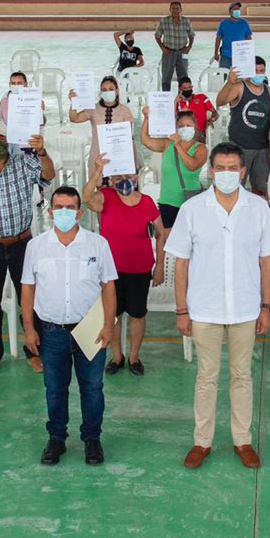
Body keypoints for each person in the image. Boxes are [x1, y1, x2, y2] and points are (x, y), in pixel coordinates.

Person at [169, 142, 270, 470]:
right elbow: (181, 264)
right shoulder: (192, 210)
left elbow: (266, 262)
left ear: (243, 172)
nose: (228, 174)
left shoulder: (257, 208)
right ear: (211, 171)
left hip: (246, 308)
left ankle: (242, 439)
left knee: (241, 375)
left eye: (234, 168)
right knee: (206, 376)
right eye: (221, 168)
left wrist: (266, 306)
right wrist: (181, 310)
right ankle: (201, 441)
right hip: (204, 308)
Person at [21, 186, 119, 466]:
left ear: (79, 212)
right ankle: (56, 439)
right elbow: (27, 289)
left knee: (92, 387)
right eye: (58, 208)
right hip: (51, 331)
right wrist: (29, 327)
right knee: (54, 388)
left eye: (69, 208)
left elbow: (109, 286)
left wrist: (108, 326)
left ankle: (92, 439)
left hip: (90, 328)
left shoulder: (97, 244)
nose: (63, 213)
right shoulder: (36, 246)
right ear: (50, 211)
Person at [0, 118, 56, 373]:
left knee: (30, 299)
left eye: (1, 138)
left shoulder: (24, 164)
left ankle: (33, 350)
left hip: (22, 244)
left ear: (9, 140)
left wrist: (42, 151)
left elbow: (49, 175)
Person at [84, 154, 166, 375]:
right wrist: (97, 171)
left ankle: (134, 356)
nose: (124, 180)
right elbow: (85, 198)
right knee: (114, 315)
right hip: (111, 272)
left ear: (138, 175)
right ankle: (117, 356)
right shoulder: (106, 197)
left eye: (129, 175)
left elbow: (160, 235)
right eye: (118, 176)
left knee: (138, 315)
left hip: (140, 269)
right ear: (110, 180)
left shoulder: (147, 202)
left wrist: (159, 266)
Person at [140, 106, 208, 228]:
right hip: (168, 201)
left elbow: (192, 165)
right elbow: (145, 140)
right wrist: (146, 119)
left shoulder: (200, 148)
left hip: (190, 201)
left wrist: (178, 145)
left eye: (189, 125)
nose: (185, 128)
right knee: (168, 241)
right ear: (176, 128)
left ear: (195, 126)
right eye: (181, 126)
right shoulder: (167, 144)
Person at [215, 55, 270, 196]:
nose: (259, 73)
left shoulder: (269, 92)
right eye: (255, 70)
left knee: (260, 189)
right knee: (235, 187)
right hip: (240, 147)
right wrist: (229, 82)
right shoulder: (239, 87)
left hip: (262, 149)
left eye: (261, 70)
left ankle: (259, 216)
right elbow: (220, 101)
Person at [68, 75, 136, 182]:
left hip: (119, 157)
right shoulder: (93, 109)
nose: (107, 92)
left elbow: (128, 138)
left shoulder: (125, 111)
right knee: (99, 190)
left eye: (111, 89)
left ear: (117, 91)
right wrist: (73, 103)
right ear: (100, 92)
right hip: (97, 155)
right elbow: (75, 118)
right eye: (104, 90)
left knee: (117, 191)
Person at [155, 0, 195, 92]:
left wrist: (189, 47)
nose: (175, 10)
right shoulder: (164, 21)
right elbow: (157, 36)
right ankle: (166, 97)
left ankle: (182, 98)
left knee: (183, 76)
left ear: (180, 10)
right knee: (166, 76)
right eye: (173, 8)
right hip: (168, 52)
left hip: (183, 52)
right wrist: (162, 48)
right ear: (170, 9)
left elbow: (191, 35)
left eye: (177, 8)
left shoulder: (186, 21)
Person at [213, 2, 252, 70]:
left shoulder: (244, 23)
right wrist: (216, 52)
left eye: (238, 9)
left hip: (240, 55)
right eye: (235, 9)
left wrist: (250, 52)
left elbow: (249, 38)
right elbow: (218, 38)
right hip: (226, 55)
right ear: (230, 11)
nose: (237, 11)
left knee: (240, 76)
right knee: (223, 75)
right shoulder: (223, 23)